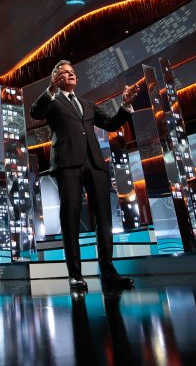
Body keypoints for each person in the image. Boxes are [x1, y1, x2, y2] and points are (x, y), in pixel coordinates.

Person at [30, 60, 138, 291]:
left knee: (104, 218)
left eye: (72, 72)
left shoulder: (88, 104)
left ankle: (108, 272)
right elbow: (34, 112)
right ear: (56, 78)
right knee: (70, 218)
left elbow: (110, 124)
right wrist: (50, 89)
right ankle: (75, 275)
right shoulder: (52, 100)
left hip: (95, 164)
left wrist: (125, 105)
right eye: (64, 72)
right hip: (67, 164)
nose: (70, 74)